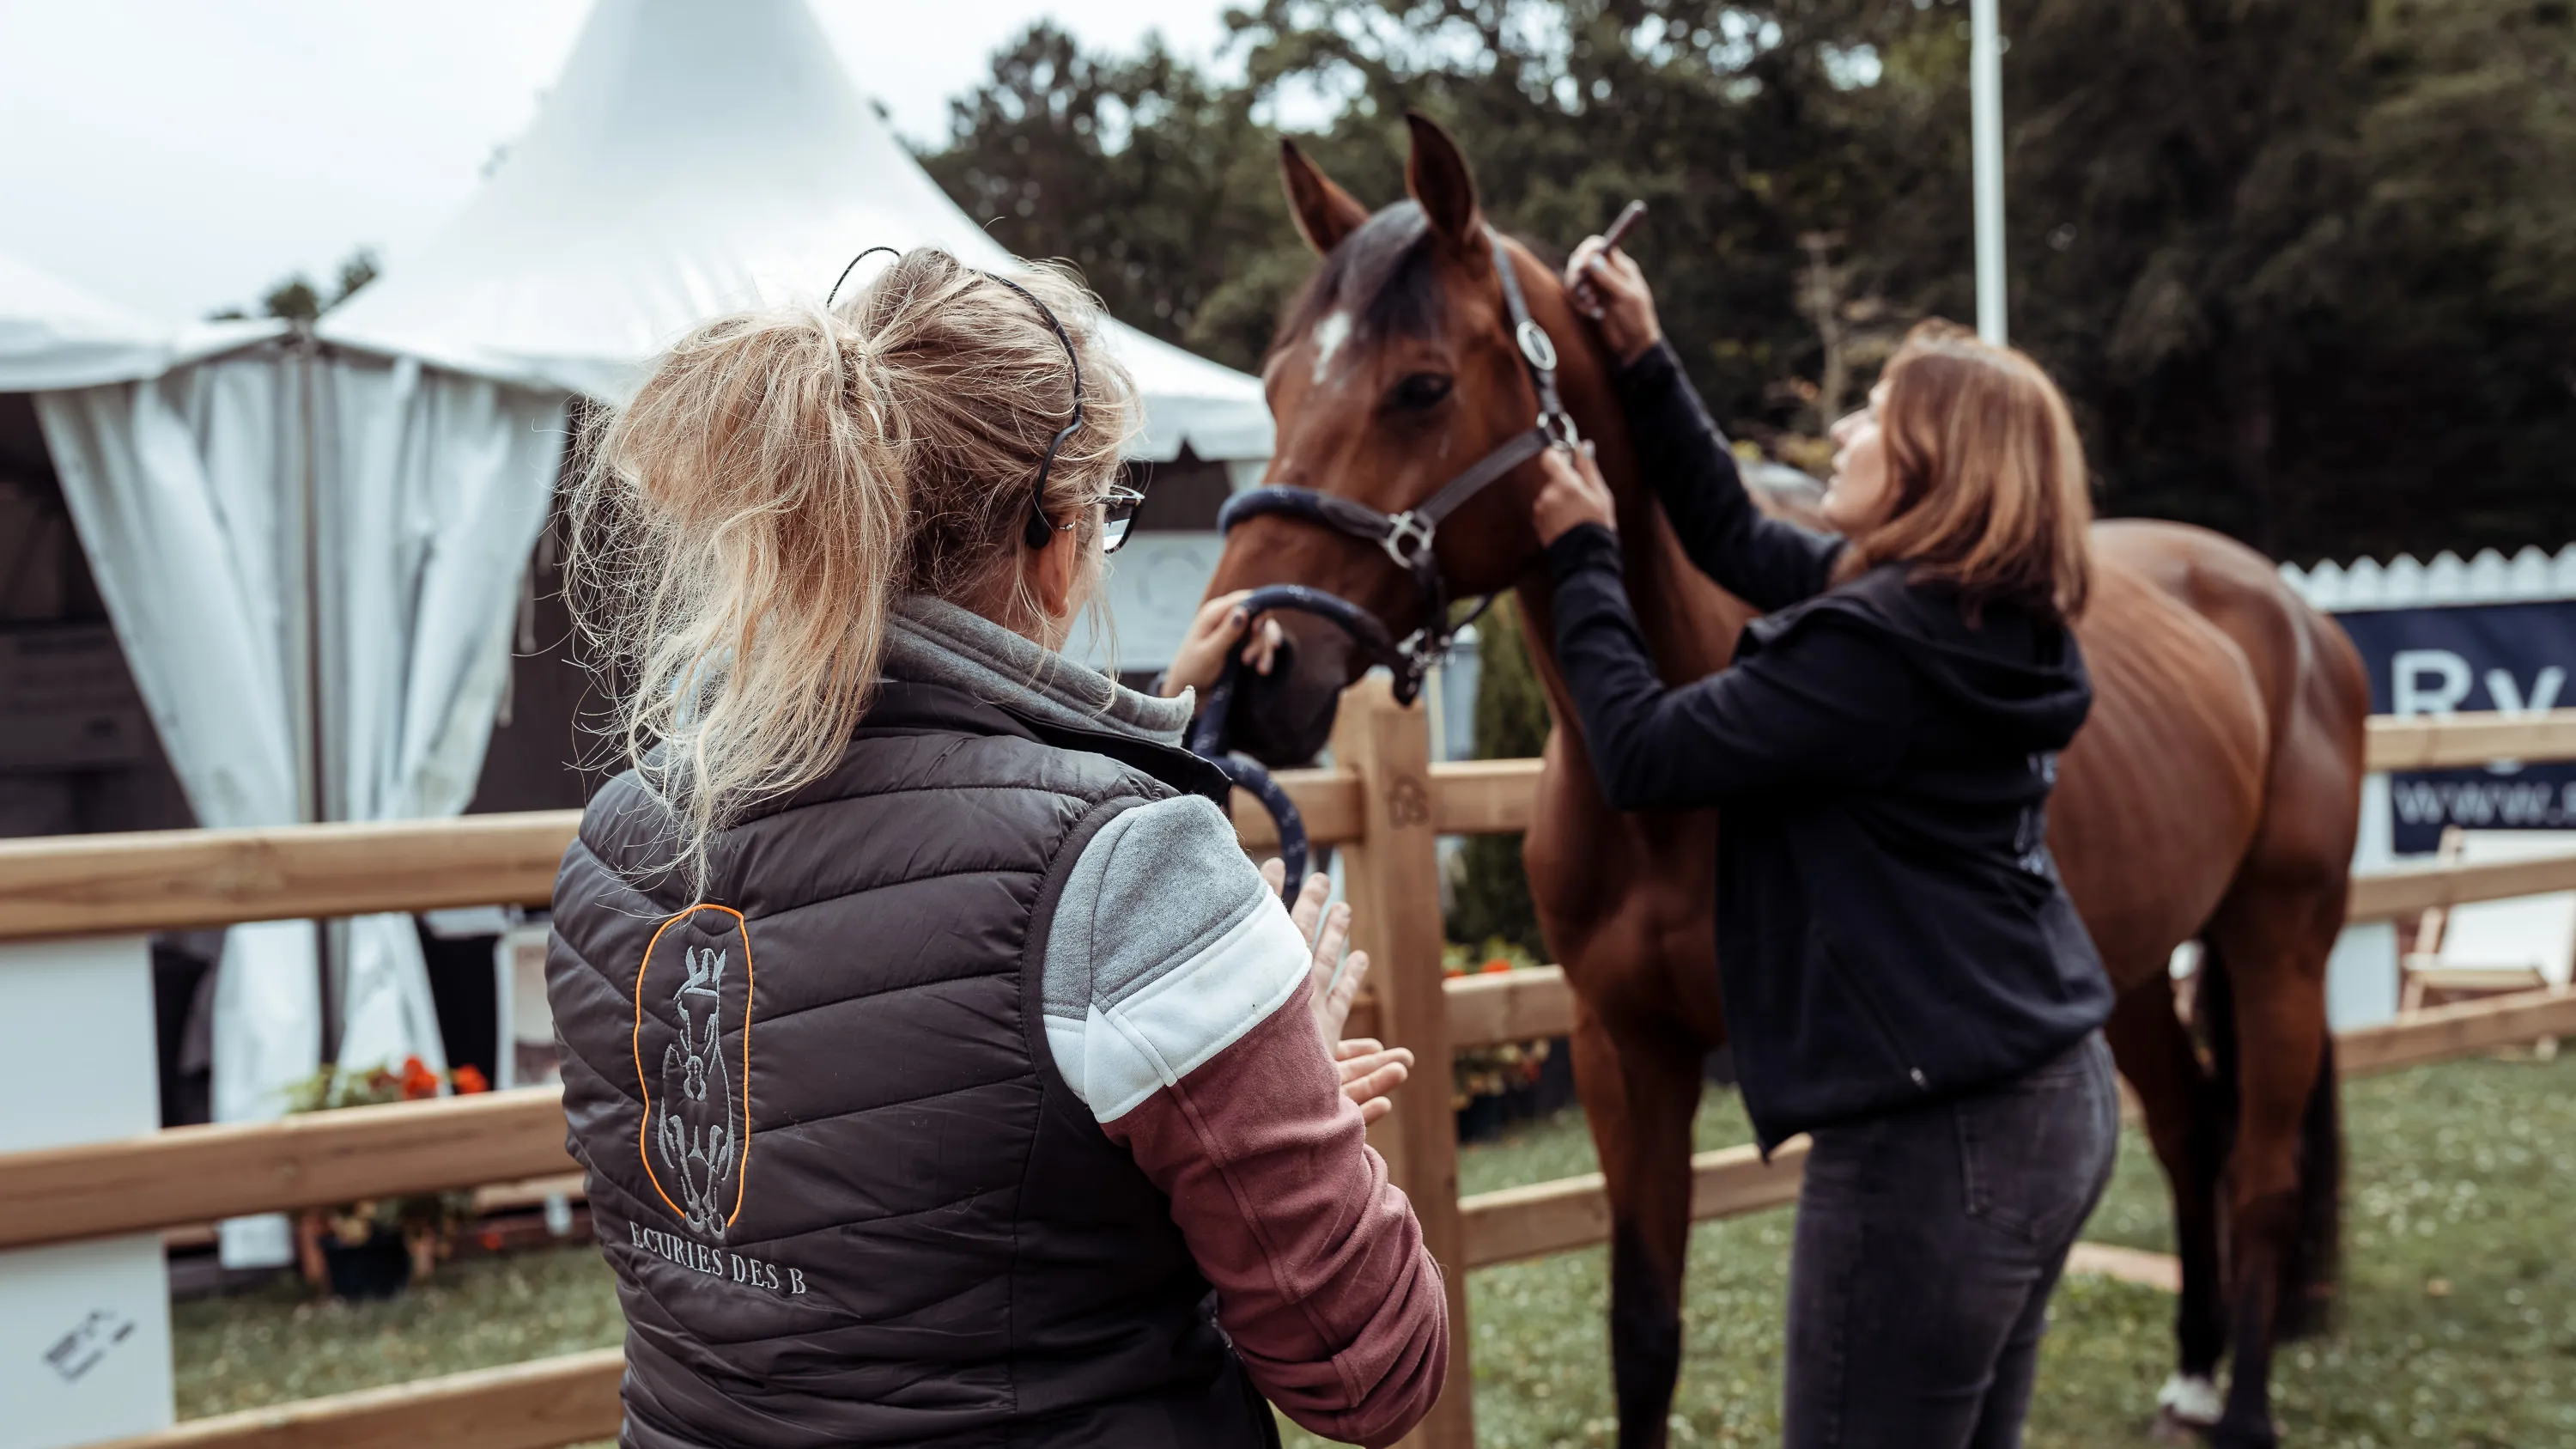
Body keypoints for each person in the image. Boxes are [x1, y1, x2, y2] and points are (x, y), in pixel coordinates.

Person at [545, 247, 1447, 1449]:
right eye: (1105, 513)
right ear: (1056, 537)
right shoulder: (1134, 868)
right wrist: (1297, 1099)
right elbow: (1371, 1370)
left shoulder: (617, 842)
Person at [1534, 237, 2122, 1448]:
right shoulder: (1981, 618)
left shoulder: (1871, 652)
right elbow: (1740, 541)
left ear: (1927, 469)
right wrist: (1646, 359)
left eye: (1872, 416)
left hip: (1933, 1145)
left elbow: (1639, 754)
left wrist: (1585, 556)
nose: (1845, 430)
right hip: (2056, 1095)